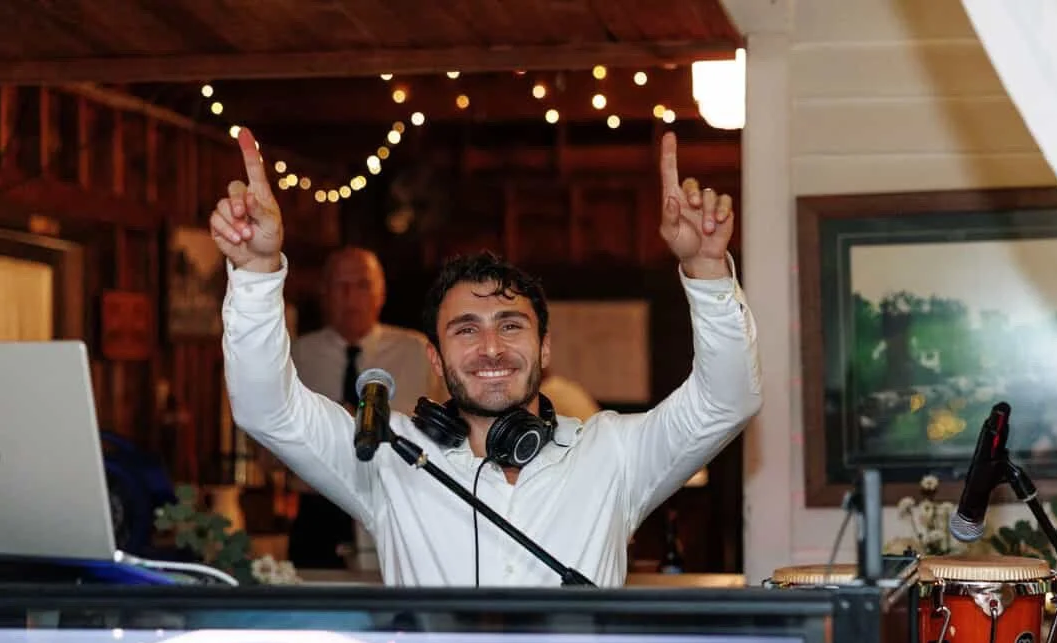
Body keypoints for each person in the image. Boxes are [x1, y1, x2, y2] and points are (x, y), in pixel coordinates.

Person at [212, 127, 760, 587]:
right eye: (466, 330)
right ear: (435, 357)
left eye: (511, 325)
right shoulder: (387, 456)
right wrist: (258, 274)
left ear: (545, 347)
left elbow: (725, 401)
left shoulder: (612, 453)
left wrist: (708, 271)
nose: (491, 347)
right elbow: (268, 409)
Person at [284, 246, 443, 569]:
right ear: (324, 293)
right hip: (319, 507)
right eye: (341, 286)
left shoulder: (416, 352)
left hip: (398, 499)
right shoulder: (298, 355)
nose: (351, 297)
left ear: (381, 293)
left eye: (362, 285)